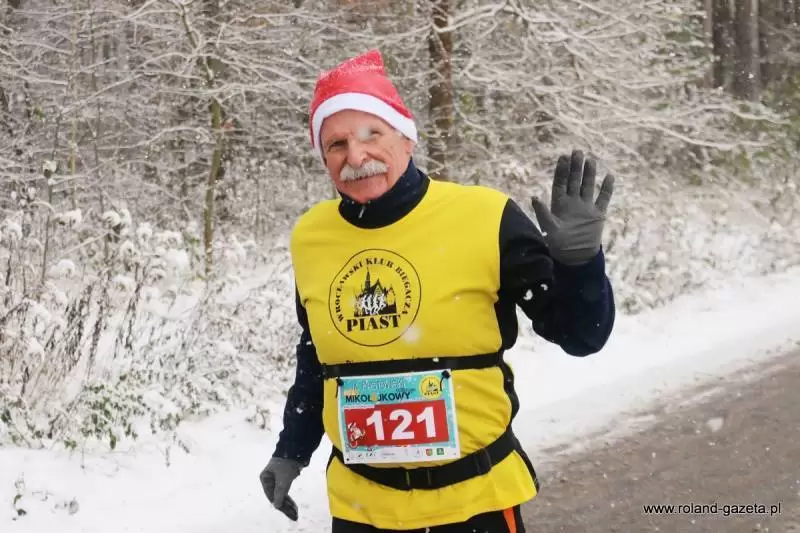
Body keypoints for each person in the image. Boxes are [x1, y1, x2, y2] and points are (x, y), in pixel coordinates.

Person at [259, 49, 616, 533]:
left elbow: (582, 335)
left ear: (406, 138)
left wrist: (578, 266)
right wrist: (291, 450)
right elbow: (318, 358)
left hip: (475, 502)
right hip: (361, 509)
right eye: (336, 143)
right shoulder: (312, 237)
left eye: (371, 134)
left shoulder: (485, 217)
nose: (355, 156)